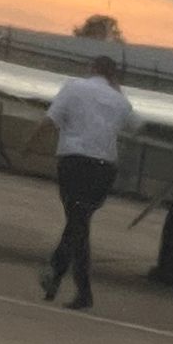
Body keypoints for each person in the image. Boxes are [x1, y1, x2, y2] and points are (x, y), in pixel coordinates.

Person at [40, 44, 138, 310]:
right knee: (80, 223)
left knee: (77, 221)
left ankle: (58, 272)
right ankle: (71, 285)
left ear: (92, 69)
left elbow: (51, 119)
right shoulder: (119, 100)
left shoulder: (73, 87)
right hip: (103, 168)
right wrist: (118, 91)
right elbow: (135, 123)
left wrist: (31, 142)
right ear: (112, 75)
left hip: (74, 163)